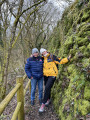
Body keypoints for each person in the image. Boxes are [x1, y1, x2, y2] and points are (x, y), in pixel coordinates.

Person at [39, 48, 71, 112]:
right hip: (45, 76)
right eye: (42, 52)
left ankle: (43, 104)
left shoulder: (52, 56)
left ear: (46, 51)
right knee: (47, 88)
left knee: (47, 87)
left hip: (52, 75)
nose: (44, 52)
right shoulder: (42, 59)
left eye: (44, 51)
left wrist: (67, 59)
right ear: (41, 53)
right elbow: (35, 61)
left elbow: (60, 61)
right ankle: (48, 99)